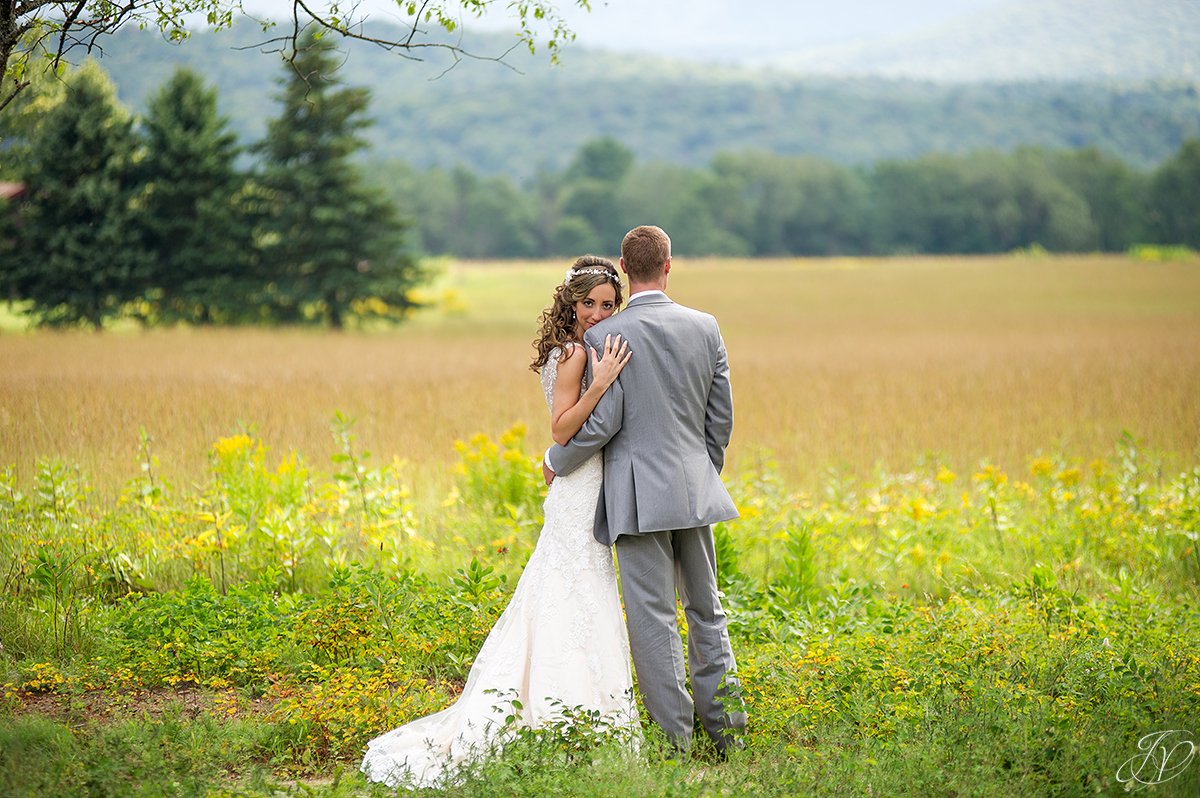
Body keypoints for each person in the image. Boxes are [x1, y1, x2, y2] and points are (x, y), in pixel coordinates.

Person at [360, 255, 638, 788]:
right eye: (590, 305)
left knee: (578, 593)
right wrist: (600, 384)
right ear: (571, 305)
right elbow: (559, 431)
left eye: (609, 304)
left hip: (584, 487)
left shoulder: (583, 346)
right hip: (577, 492)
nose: (600, 314)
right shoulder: (578, 353)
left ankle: (578, 718)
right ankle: (566, 718)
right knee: (572, 591)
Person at [543, 225, 746, 758]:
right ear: (669, 264)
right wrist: (701, 474)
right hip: (695, 490)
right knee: (707, 610)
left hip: (636, 499)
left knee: (654, 618)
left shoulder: (607, 336)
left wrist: (555, 461)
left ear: (624, 269)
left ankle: (675, 745)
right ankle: (728, 735)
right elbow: (719, 419)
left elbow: (604, 423)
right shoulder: (706, 327)